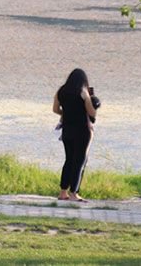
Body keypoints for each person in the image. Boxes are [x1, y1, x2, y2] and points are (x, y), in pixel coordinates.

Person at [52, 68, 98, 202]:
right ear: (84, 81)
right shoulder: (83, 92)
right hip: (82, 131)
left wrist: (66, 114)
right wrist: (90, 99)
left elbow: (55, 109)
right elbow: (92, 113)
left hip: (67, 130)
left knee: (68, 160)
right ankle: (74, 193)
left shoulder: (61, 91)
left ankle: (63, 192)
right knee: (79, 161)